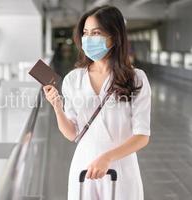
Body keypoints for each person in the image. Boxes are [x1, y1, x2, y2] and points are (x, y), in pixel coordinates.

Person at [43, 5, 151, 200]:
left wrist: (108, 157)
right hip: (85, 165)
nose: (88, 39)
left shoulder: (136, 79)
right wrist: (57, 108)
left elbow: (142, 136)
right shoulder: (73, 79)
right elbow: (72, 133)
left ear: (115, 37)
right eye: (85, 33)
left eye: (96, 33)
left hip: (121, 167)